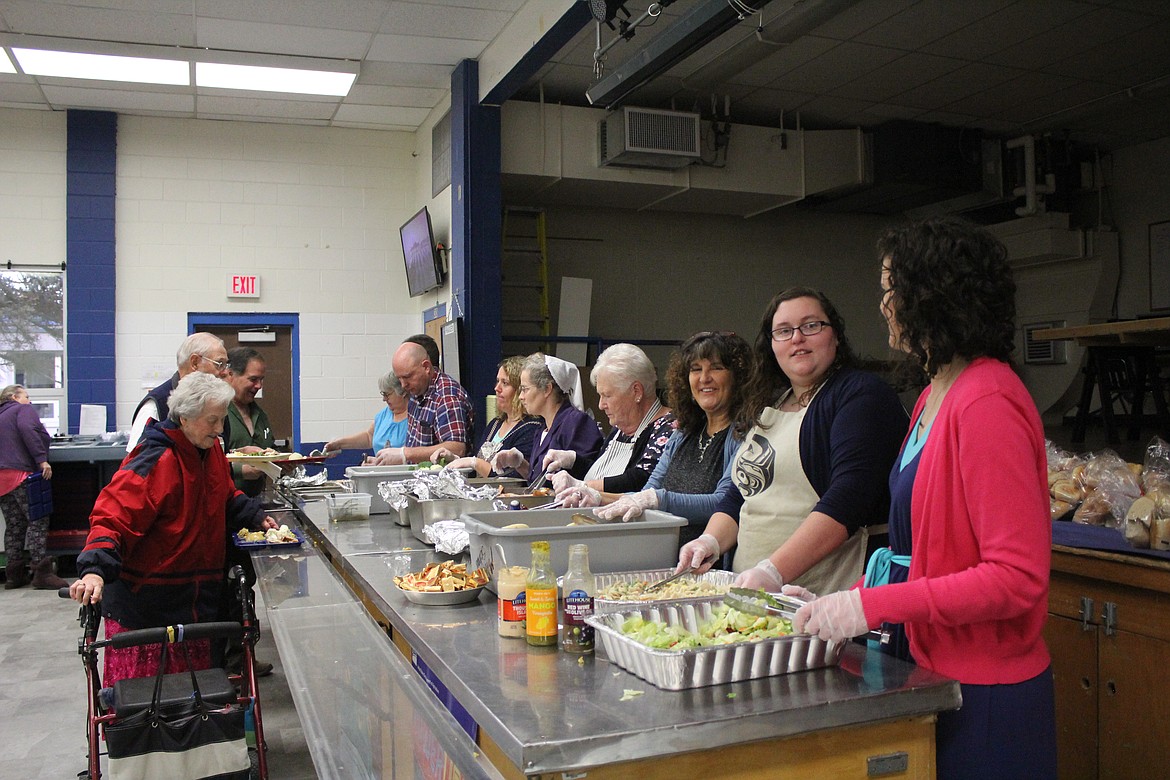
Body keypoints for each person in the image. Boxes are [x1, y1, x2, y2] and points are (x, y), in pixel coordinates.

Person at [791, 217, 1056, 779]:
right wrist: (838, 601)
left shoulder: (986, 401)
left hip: (986, 692)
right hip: (930, 670)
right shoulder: (936, 393)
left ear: (932, 297)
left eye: (891, 291)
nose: (884, 306)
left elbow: (1015, 577)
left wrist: (869, 606)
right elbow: (917, 555)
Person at [677, 287, 906, 596]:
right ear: (771, 346)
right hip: (754, 593)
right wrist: (710, 541)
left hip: (821, 597)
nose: (797, 338)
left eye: (811, 325)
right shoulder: (771, 402)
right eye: (783, 331)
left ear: (835, 335)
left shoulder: (861, 396)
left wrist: (773, 570)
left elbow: (848, 500)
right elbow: (740, 493)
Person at [70, 373, 277, 687]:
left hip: (194, 604)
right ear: (185, 417)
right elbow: (112, 516)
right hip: (148, 610)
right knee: (149, 706)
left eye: (222, 420)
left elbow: (223, 495)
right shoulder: (155, 459)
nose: (220, 430)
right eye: (213, 421)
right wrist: (95, 569)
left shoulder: (210, 452)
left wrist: (254, 516)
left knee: (189, 707)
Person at [574, 333, 754, 550]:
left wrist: (658, 499)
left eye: (716, 367)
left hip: (705, 562)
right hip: (662, 554)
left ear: (738, 377)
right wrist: (598, 498)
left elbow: (724, 502)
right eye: (696, 369)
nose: (704, 378)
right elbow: (646, 494)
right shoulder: (682, 433)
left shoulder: (744, 435)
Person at [550, 343, 674, 498]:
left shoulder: (669, 427)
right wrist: (573, 461)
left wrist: (583, 486)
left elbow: (641, 479)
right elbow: (602, 473)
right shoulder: (619, 429)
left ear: (636, 392)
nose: (601, 405)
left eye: (607, 395)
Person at [492, 354, 603, 487]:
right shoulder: (542, 428)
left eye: (525, 389)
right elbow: (540, 482)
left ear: (547, 389)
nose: (521, 397)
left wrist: (573, 460)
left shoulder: (576, 423)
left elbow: (587, 473)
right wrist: (519, 463)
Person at [1, 384, 67, 590]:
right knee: (37, 520)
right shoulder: (21, 410)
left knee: (14, 525)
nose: (29, 401)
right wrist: (42, 460)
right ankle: (42, 572)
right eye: (26, 396)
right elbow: (28, 430)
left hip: (2, 479)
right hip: (21, 473)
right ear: (14, 397)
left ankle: (14, 574)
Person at [438, 356, 541, 479]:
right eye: (497, 381)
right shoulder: (495, 424)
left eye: (505, 383)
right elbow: (479, 468)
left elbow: (514, 476)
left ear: (520, 390)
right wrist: (454, 460)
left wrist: (473, 462)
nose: (497, 388)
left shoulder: (531, 428)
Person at [373, 341, 474, 465]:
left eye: (407, 377)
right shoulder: (416, 392)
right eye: (399, 379)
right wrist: (383, 461)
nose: (403, 385)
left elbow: (456, 448)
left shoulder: (446, 397)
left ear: (426, 367)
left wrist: (405, 454)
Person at [126, 332, 229, 452]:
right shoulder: (156, 406)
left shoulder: (217, 403)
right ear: (195, 362)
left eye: (227, 364)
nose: (225, 372)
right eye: (220, 364)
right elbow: (137, 461)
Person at [223, 346, 275, 497]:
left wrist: (280, 461)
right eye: (253, 379)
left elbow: (269, 449)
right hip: (226, 507)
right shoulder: (216, 415)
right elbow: (205, 462)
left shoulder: (261, 416)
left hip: (256, 505)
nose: (259, 386)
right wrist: (239, 470)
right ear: (230, 375)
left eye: (261, 380)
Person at [323, 372, 409, 456]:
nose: (384, 399)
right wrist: (338, 444)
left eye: (387, 394)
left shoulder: (415, 417)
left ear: (402, 392)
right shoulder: (383, 415)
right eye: (383, 394)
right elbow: (369, 437)